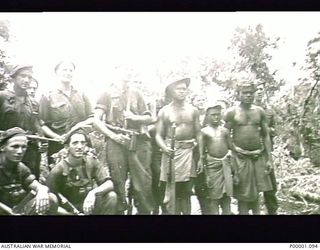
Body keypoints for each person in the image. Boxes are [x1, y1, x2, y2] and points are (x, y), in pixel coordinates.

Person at [94, 75, 154, 214]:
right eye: (123, 68)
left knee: (142, 183)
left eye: (129, 70)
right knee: (118, 182)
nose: (127, 73)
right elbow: (96, 121)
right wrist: (113, 136)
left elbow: (148, 117)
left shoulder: (136, 93)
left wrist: (134, 117)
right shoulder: (106, 94)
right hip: (115, 141)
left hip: (136, 141)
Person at [224, 82, 274, 215]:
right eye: (245, 93)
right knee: (242, 193)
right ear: (238, 94)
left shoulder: (259, 111)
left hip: (258, 156)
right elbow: (225, 134)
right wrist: (233, 151)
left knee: (257, 191)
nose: (248, 95)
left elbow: (266, 135)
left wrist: (269, 158)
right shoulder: (231, 112)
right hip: (240, 157)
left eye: (250, 93)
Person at [156, 77, 203, 215]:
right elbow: (158, 135)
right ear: (171, 91)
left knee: (187, 191)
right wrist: (165, 148)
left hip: (188, 153)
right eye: (179, 89)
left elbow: (199, 134)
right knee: (170, 191)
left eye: (184, 89)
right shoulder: (164, 111)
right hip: (171, 153)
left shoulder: (193, 110)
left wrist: (201, 157)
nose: (182, 91)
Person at [46, 129, 117, 215]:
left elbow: (109, 183)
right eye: (75, 143)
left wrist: (93, 193)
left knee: (111, 196)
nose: (79, 147)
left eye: (83, 143)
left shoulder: (92, 162)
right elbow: (50, 201)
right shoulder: (58, 170)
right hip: (68, 211)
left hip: (89, 206)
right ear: (67, 147)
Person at [39, 61, 93, 164]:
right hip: (58, 144)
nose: (68, 73)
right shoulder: (47, 96)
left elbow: (92, 117)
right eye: (64, 69)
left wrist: (80, 124)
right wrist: (57, 137)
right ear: (56, 73)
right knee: (59, 174)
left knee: (85, 174)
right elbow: (42, 124)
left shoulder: (81, 94)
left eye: (70, 70)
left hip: (81, 143)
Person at [0, 127, 58, 215]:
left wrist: (42, 190)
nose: (20, 151)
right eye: (15, 146)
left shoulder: (20, 167)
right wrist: (10, 213)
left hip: (15, 210)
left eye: (23, 147)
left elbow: (37, 185)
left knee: (51, 198)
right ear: (2, 147)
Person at [0, 64, 44, 178]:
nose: (26, 80)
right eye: (23, 76)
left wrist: (41, 140)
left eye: (29, 77)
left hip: (29, 152)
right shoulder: (2, 97)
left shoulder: (33, 103)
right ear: (13, 77)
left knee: (30, 182)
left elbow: (37, 125)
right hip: (6, 151)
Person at [201, 103, 238, 215]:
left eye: (218, 114)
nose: (216, 117)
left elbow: (232, 149)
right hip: (212, 167)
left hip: (225, 165)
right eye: (213, 115)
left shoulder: (225, 131)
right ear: (207, 116)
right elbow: (202, 154)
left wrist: (235, 172)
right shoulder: (204, 132)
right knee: (214, 198)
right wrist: (206, 176)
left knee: (227, 196)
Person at [254, 86, 279, 215]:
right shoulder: (247, 110)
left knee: (270, 182)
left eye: (261, 90)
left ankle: (272, 210)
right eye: (256, 89)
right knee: (252, 184)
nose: (259, 92)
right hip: (251, 151)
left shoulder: (269, 111)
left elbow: (275, 130)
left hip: (265, 152)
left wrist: (266, 130)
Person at [191, 93, 210, 214]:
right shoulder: (191, 115)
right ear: (193, 102)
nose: (201, 101)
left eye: (203, 99)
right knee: (198, 181)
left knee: (208, 183)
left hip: (210, 152)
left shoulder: (210, 116)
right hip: (194, 152)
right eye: (198, 99)